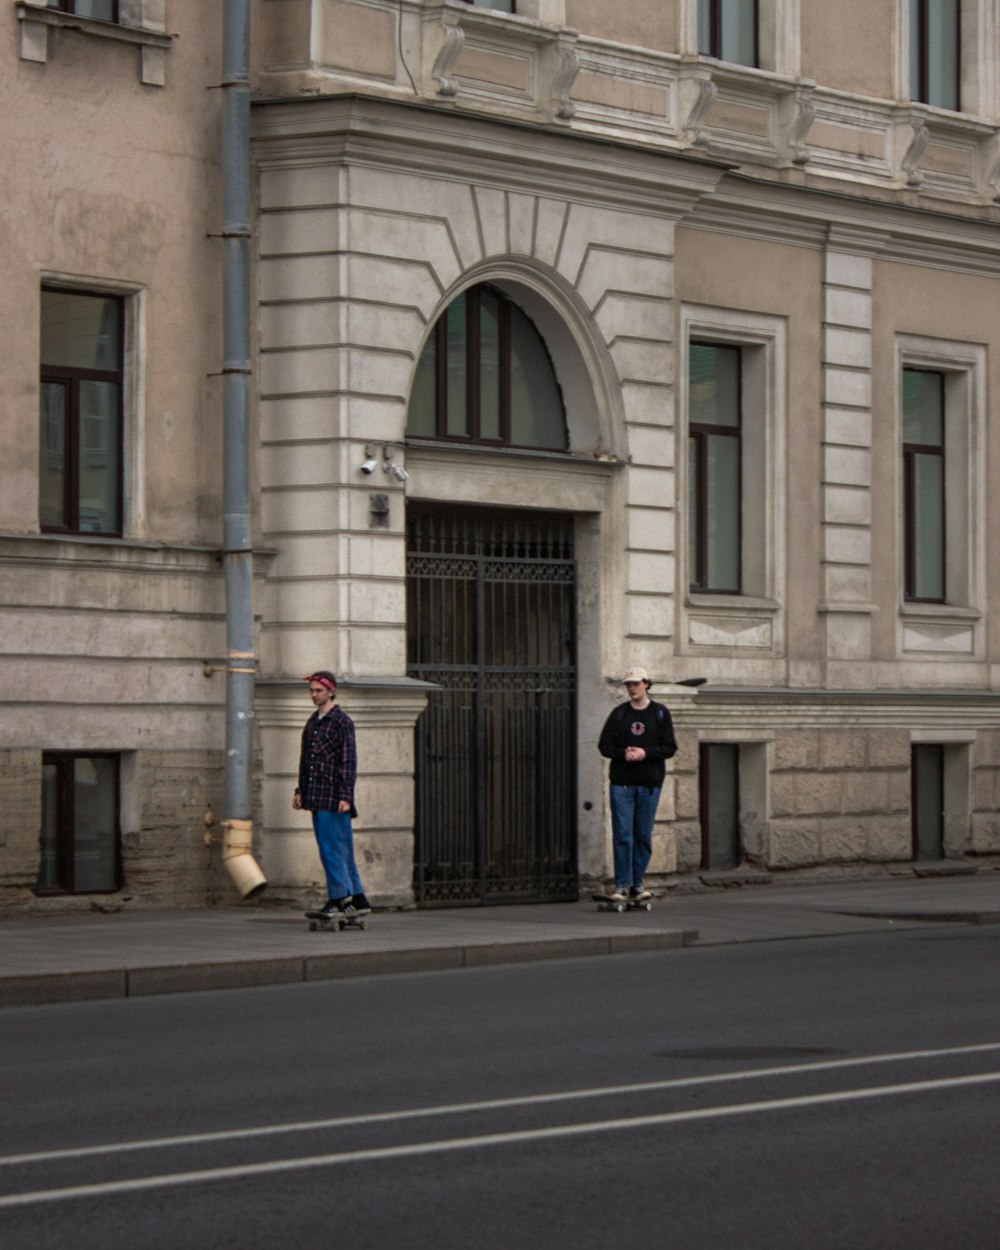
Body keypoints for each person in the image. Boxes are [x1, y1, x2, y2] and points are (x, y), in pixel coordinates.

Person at [293, 671, 371, 918]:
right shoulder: (313, 722)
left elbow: (348, 762)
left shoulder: (342, 722)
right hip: (315, 795)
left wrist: (346, 796)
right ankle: (357, 898)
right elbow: (305, 760)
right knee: (339, 848)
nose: (314, 695)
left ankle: (338, 899)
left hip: (335, 798)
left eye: (318, 691)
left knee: (332, 850)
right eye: (312, 690)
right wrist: (299, 790)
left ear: (331, 692)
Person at [597, 666, 677, 903]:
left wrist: (645, 753)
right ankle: (622, 885)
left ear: (646, 684)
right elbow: (604, 746)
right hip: (622, 783)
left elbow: (670, 748)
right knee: (623, 835)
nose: (632, 688)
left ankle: (637, 883)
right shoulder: (619, 714)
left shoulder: (660, 713)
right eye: (628, 684)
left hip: (649, 783)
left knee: (642, 834)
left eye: (636, 683)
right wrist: (624, 753)